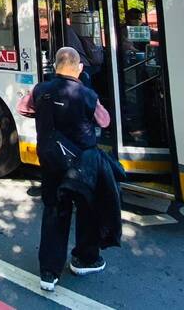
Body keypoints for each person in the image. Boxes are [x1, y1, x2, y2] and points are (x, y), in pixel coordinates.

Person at [17, 47, 113, 293]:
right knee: (87, 210)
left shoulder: (41, 90)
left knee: (54, 210)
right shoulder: (86, 94)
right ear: (79, 68)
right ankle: (85, 259)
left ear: (56, 66)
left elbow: (23, 108)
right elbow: (104, 121)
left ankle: (49, 272)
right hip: (82, 166)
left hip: (51, 162)